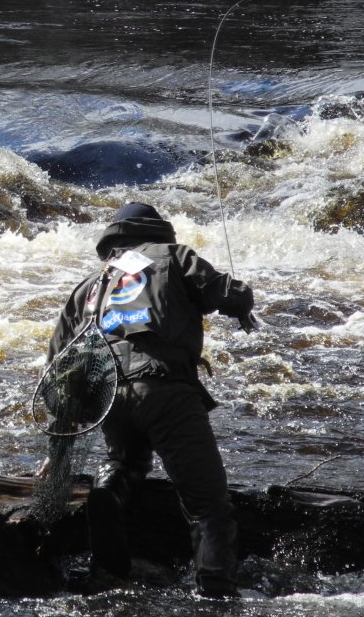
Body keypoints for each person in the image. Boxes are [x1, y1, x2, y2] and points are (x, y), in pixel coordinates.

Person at [47, 201, 256, 598]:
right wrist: (244, 299)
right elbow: (226, 294)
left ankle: (109, 493)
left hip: (109, 398)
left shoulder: (88, 287)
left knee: (126, 460)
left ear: (114, 238)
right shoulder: (173, 256)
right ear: (158, 231)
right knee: (207, 507)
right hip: (165, 392)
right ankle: (216, 596)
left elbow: (58, 368)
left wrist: (58, 447)